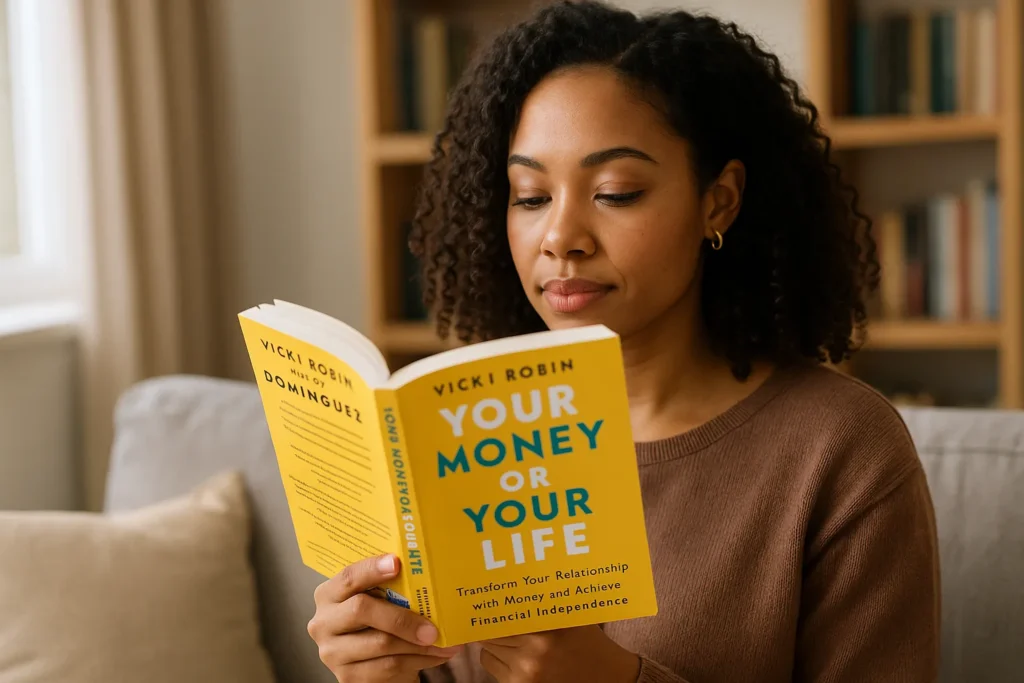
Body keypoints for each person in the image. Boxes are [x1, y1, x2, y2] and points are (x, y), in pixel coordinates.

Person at [305, 1, 941, 681]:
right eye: (529, 196)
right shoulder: (456, 432)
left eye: (615, 192)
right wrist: (372, 665)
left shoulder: (840, 451)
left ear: (718, 200)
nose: (560, 237)